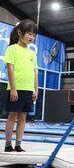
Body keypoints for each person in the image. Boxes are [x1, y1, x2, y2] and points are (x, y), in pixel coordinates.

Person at [4, 20, 38, 152]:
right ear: (19, 33)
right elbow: (10, 69)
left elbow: (35, 71)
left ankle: (18, 144)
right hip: (16, 89)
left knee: (23, 117)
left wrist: (36, 89)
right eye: (29, 34)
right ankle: (8, 144)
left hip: (28, 89)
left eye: (34, 35)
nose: (31, 37)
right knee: (12, 115)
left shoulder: (32, 53)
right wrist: (13, 88)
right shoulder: (12, 49)